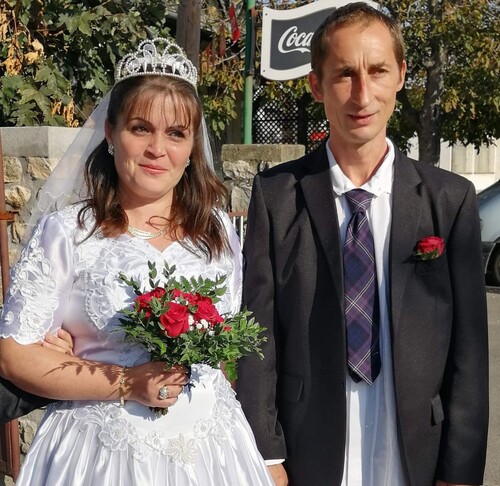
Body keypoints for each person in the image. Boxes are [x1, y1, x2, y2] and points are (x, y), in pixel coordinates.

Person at [0, 37, 273, 486]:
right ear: (111, 133)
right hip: (98, 454)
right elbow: (14, 355)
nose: (157, 149)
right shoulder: (69, 232)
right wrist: (125, 381)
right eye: (141, 128)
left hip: (212, 453)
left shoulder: (220, 233)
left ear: (192, 147)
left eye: (176, 133)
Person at [236, 3, 489, 486]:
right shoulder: (277, 196)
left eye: (377, 71)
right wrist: (265, 455)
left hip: (415, 445)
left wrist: (460, 471)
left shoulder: (449, 199)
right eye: (344, 74)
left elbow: (469, 350)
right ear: (316, 85)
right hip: (310, 446)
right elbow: (258, 336)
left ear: (401, 75)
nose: (362, 94)